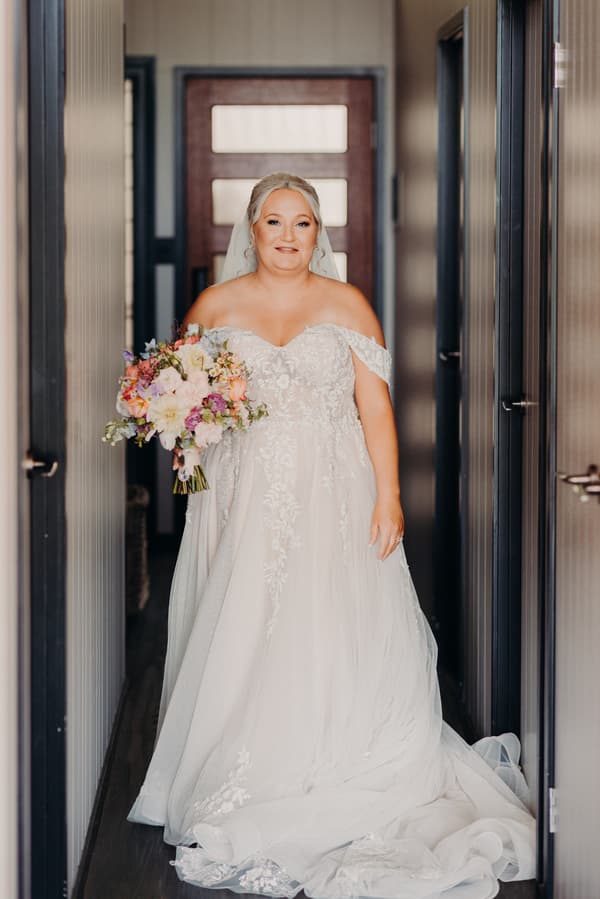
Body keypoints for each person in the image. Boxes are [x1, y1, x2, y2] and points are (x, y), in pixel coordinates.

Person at [128, 173, 535, 897]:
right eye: (274, 222)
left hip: (335, 492)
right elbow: (184, 408)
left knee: (328, 619)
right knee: (249, 626)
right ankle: (247, 762)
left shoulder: (346, 304)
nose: (288, 237)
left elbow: (374, 409)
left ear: (321, 233)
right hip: (244, 496)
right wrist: (191, 478)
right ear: (249, 229)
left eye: (304, 223)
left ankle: (339, 754)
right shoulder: (214, 307)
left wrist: (390, 495)